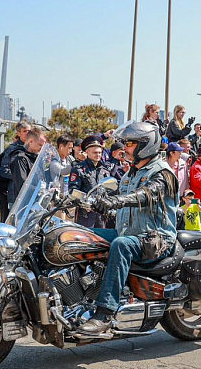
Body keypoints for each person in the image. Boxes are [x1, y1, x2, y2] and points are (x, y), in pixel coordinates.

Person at [77, 121, 179, 334]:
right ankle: (77, 297)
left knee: (122, 245)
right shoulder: (130, 173)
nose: (126, 148)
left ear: (146, 144)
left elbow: (146, 195)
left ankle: (105, 312)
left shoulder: (163, 173)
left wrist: (116, 201)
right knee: (80, 235)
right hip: (130, 233)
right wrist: (99, 203)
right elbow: (124, 210)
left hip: (156, 240)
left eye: (130, 143)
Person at [70, 135, 112, 229]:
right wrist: (84, 203)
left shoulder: (105, 170)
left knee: (101, 240)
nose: (98, 155)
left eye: (100, 153)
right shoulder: (78, 169)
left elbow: (109, 191)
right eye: (95, 152)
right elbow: (73, 191)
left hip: (101, 215)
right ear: (87, 152)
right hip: (85, 215)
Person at [0, 120, 30, 221]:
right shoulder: (12, 150)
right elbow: (3, 170)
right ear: (18, 133)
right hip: (15, 194)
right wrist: (20, 175)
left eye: (29, 131)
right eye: (25, 131)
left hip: (31, 193)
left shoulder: (34, 148)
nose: (27, 133)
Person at [10, 127, 46, 204]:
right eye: (40, 145)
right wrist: (40, 190)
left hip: (35, 202)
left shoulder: (37, 158)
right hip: (23, 205)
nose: (42, 148)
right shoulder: (20, 158)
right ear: (31, 141)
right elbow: (22, 185)